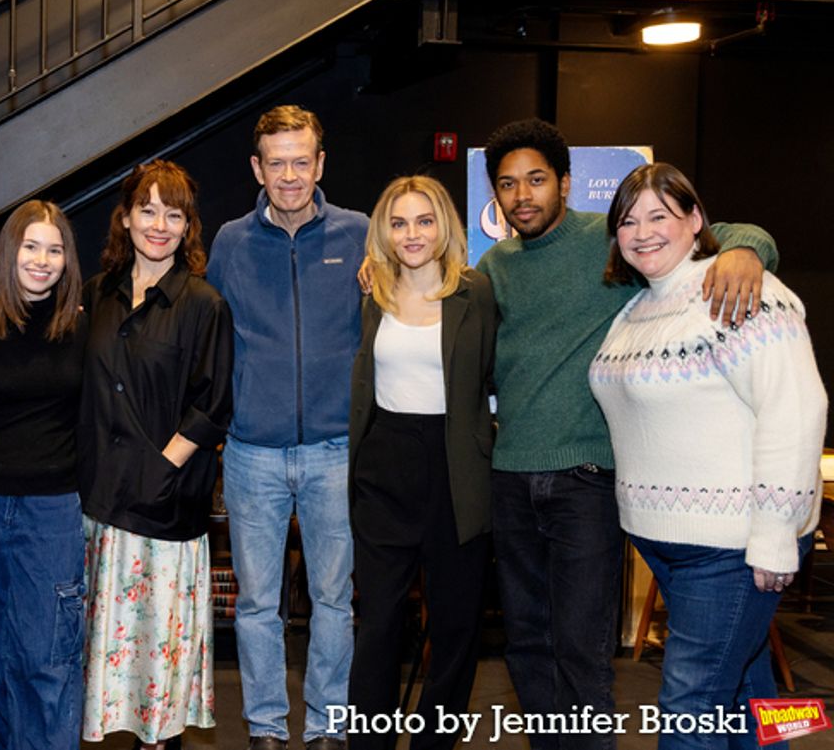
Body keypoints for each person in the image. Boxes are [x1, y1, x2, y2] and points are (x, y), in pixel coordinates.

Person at [476, 118, 779, 750]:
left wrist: (747, 251)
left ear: (564, 183)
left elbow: (722, 234)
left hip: (587, 479)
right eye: (507, 185)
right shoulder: (497, 266)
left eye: (536, 179)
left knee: (583, 652)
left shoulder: (612, 242)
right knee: (528, 646)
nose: (522, 195)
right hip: (508, 476)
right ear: (494, 196)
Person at [589, 163, 826, 749]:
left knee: (690, 706)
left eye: (659, 216)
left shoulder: (743, 290)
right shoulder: (633, 310)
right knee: (747, 689)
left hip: (732, 547)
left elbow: (795, 410)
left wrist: (774, 533)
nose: (642, 231)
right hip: (666, 544)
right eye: (627, 220)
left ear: (696, 221)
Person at [207, 105, 367, 750]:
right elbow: (209, 330)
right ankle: (267, 727)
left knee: (333, 600)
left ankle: (328, 725)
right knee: (256, 606)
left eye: (303, 161)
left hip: (335, 450)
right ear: (258, 168)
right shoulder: (231, 242)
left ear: (321, 163)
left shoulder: (360, 234)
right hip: (252, 452)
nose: (291, 175)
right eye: (278, 163)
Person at [78, 159, 233, 748]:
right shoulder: (97, 293)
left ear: (188, 226)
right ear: (125, 216)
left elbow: (213, 403)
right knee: (105, 652)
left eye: (174, 213)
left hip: (162, 509)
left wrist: (161, 465)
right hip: (97, 502)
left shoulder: (203, 304)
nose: (159, 224)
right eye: (147, 209)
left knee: (152, 659)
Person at [347, 176, 496, 750]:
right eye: (400, 222)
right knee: (379, 625)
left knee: (456, 629)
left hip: (457, 473)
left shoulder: (475, 292)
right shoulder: (372, 290)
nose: (412, 234)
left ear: (445, 227)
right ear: (385, 231)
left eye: (424, 221)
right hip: (384, 470)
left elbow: (488, 374)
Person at [0, 200, 88, 749]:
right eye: (31, 246)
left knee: (47, 656)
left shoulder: (83, 327)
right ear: (9, 252)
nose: (42, 259)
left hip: (51, 508)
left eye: (55, 250)